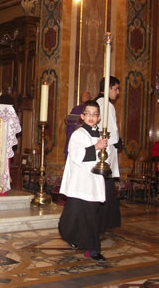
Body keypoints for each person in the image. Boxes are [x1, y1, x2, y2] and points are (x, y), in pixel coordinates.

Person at [59, 101, 108, 262]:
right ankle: (74, 237)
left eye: (95, 114)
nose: (91, 117)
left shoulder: (101, 135)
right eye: (88, 114)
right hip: (80, 182)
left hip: (94, 182)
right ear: (82, 116)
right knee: (72, 218)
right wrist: (95, 147)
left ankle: (91, 249)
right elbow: (76, 156)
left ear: (99, 117)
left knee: (91, 217)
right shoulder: (78, 134)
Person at [95, 76, 122, 233]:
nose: (117, 92)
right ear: (108, 88)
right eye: (116, 89)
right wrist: (118, 141)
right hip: (105, 152)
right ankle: (103, 222)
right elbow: (110, 130)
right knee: (104, 187)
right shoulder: (107, 105)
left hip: (100, 149)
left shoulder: (97, 102)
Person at [64, 91, 91, 159]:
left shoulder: (92, 110)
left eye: (86, 102)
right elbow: (70, 127)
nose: (83, 104)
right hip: (76, 138)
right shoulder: (76, 110)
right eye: (83, 102)